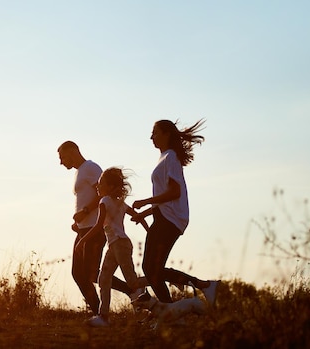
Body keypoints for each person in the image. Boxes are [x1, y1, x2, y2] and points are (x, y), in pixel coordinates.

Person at [131, 119, 219, 306]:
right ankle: (173, 310)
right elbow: (165, 197)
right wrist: (145, 213)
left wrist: (145, 201)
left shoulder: (170, 157)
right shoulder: (165, 157)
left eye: (154, 132)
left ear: (166, 134)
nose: (151, 137)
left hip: (170, 220)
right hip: (164, 217)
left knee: (151, 268)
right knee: (152, 269)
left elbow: (174, 193)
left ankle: (202, 286)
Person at [58, 141, 135, 315]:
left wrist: (84, 212)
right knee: (78, 274)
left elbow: (103, 195)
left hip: (95, 227)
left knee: (91, 273)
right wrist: (78, 222)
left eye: (62, 157)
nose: (61, 162)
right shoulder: (80, 172)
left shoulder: (90, 168)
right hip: (83, 227)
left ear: (73, 151)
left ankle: (128, 294)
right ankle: (98, 312)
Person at [76, 167, 148, 327]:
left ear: (109, 187)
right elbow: (137, 216)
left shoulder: (104, 201)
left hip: (119, 245)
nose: (97, 187)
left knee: (132, 282)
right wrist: (147, 229)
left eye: (100, 184)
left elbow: (97, 226)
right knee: (103, 279)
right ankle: (103, 316)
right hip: (115, 245)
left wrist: (83, 240)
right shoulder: (119, 202)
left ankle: (156, 279)